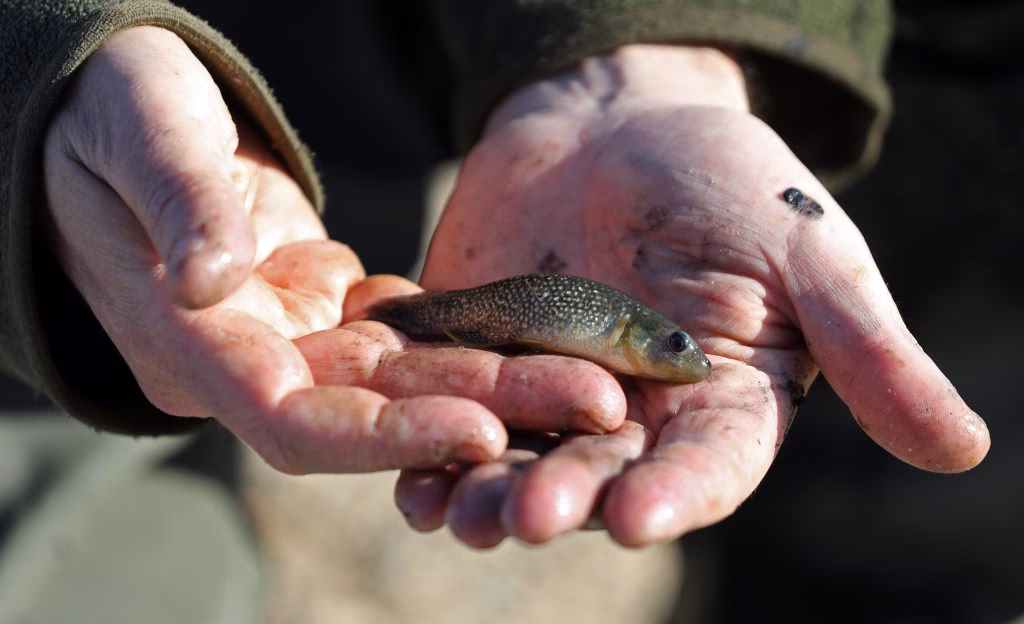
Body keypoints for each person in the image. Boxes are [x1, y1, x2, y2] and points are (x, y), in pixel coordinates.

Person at [0, 0, 989, 557]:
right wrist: (35, 81)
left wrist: (647, 51)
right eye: (672, 346)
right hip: (274, 104)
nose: (678, 355)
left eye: (672, 348)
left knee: (867, 547)